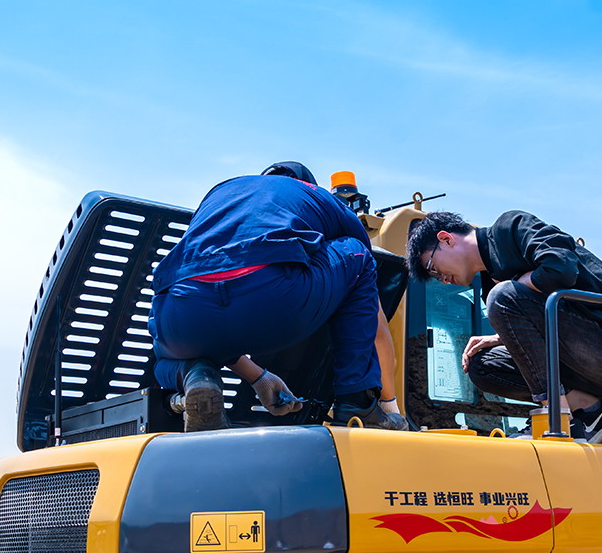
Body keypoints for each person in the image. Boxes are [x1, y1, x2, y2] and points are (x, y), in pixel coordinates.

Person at [149, 161, 408, 432]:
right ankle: (356, 404)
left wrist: (259, 377)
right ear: (306, 183)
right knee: (358, 253)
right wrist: (389, 404)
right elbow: (373, 316)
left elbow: (216, 297)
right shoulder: (315, 195)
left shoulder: (222, 192)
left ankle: (196, 376)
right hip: (271, 300)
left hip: (179, 316)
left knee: (168, 359)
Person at [405, 210, 602, 443]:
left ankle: (556, 419)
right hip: (594, 366)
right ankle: (591, 411)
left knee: (503, 297)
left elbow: (561, 267)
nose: (443, 280)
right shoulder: (490, 283)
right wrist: (499, 338)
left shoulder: (510, 228)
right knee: (481, 364)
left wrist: (516, 286)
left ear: (446, 239)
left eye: (433, 269)